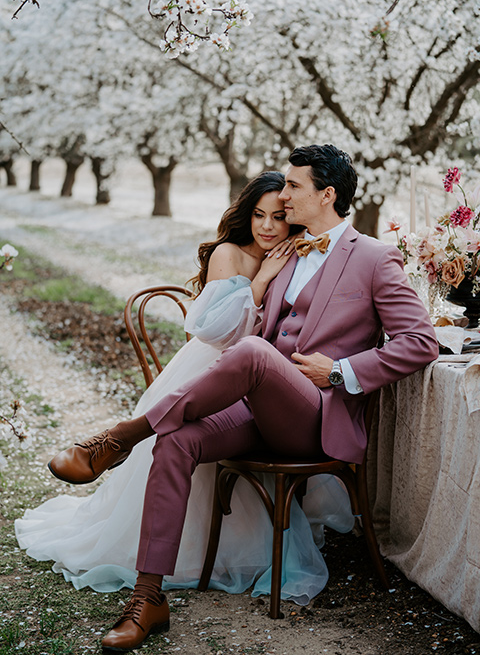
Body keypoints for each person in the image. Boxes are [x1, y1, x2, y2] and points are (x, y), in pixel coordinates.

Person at [47, 145, 439, 652]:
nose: (285, 195)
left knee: (253, 354)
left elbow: (421, 341)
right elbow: (240, 329)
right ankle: (148, 597)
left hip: (316, 417)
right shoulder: (287, 253)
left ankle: (122, 436)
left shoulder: (374, 256)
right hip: (258, 409)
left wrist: (341, 371)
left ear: (328, 194)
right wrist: (259, 283)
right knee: (177, 442)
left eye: (295, 187)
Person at [16, 170, 353, 606]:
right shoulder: (231, 254)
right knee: (183, 435)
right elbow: (210, 329)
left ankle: (120, 439)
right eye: (258, 215)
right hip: (211, 367)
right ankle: (164, 557)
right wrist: (260, 283)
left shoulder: (294, 256)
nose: (268, 226)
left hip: (264, 382)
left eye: (277, 216)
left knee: (230, 401)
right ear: (245, 217)